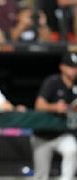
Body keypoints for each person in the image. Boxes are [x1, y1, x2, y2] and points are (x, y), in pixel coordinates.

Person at [32, 52, 77, 180]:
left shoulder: (75, 86)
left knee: (72, 149)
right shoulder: (52, 82)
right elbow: (39, 105)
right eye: (71, 66)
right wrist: (55, 107)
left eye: (76, 67)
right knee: (41, 175)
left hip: (62, 134)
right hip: (43, 134)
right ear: (62, 67)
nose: (74, 70)